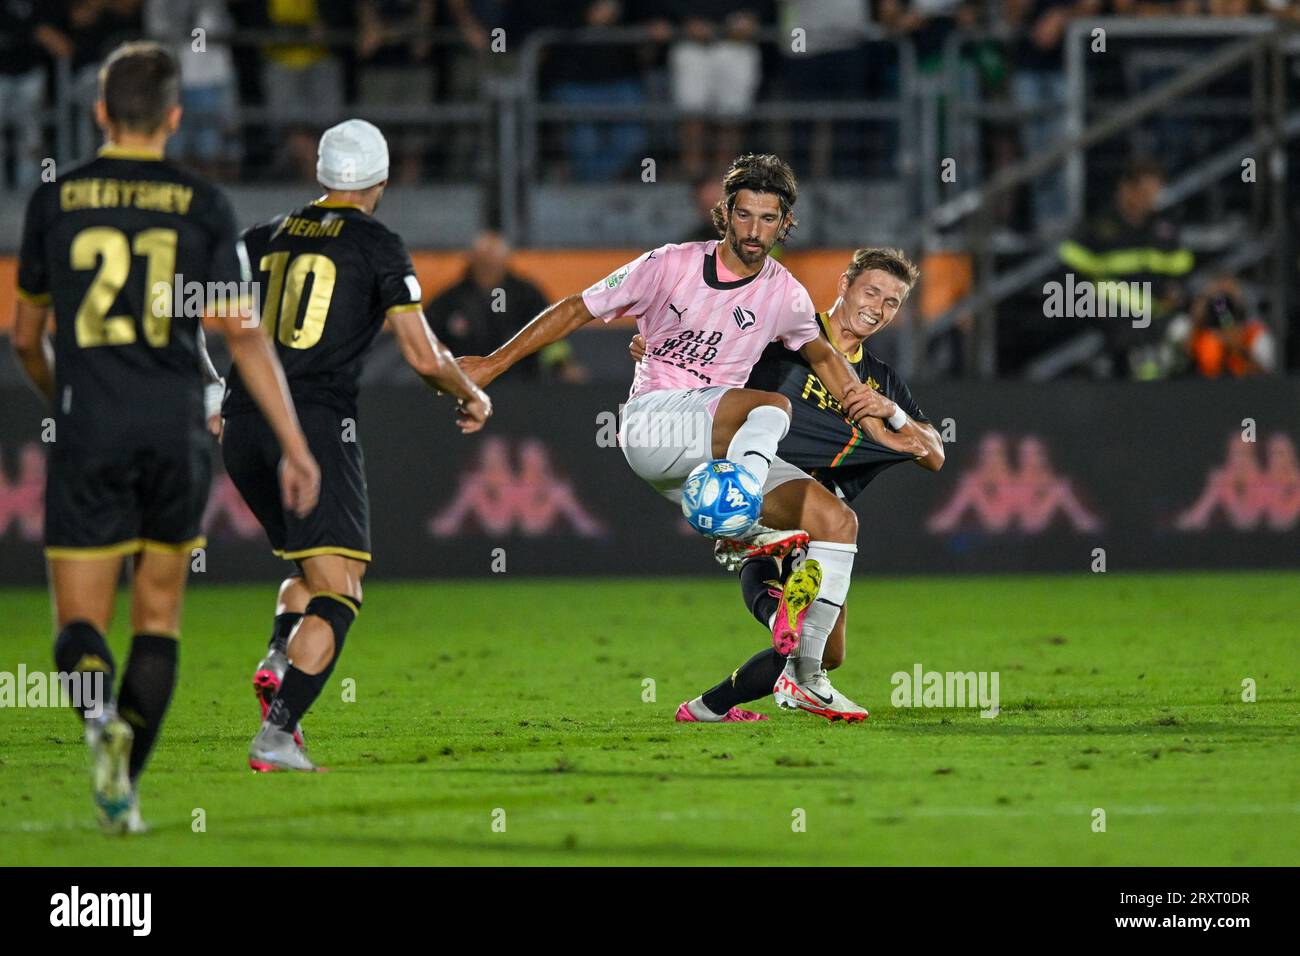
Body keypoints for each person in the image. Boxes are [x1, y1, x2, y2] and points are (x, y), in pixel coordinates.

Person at [459, 154, 922, 720]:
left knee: (837, 522)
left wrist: (882, 423)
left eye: (769, 219)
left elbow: (823, 355)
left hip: (715, 448)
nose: (754, 231)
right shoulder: (669, 264)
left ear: (786, 224)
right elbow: (578, 308)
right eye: (744, 215)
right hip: (654, 424)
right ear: (722, 214)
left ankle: (806, 675)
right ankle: (744, 517)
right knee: (772, 406)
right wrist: (494, 363)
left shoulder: (786, 294)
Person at [12, 41, 320, 832]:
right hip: (175, 428)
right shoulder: (203, 205)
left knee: (79, 627)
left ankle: (94, 722)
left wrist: (65, 395)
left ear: (100, 112)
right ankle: (124, 791)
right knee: (158, 620)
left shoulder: (56, 199)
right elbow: (242, 334)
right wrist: (293, 445)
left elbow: (23, 337)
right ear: (176, 119)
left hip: (91, 429)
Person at [221, 118, 493, 772]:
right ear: (381, 179)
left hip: (242, 423)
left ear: (320, 173)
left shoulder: (258, 237)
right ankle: (279, 733)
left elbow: (203, 319)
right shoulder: (376, 242)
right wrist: (469, 394)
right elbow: (422, 355)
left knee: (307, 569)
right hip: (311, 427)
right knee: (341, 590)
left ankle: (279, 653)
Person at [631, 248, 944, 722]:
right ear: (844, 284)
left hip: (817, 513)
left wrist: (892, 412)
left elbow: (935, 454)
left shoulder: (880, 380)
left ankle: (709, 706)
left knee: (821, 653)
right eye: (871, 291)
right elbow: (707, 352)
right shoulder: (785, 332)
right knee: (786, 586)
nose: (877, 308)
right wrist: (660, 349)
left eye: (892, 302)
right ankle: (771, 595)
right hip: (760, 490)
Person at [425, 231, 586, 382]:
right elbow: (427, 343)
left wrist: (563, 366)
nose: (488, 266)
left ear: (505, 260)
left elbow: (552, 333)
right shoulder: (449, 301)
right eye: (483, 261)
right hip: (467, 387)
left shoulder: (526, 295)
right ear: (472, 260)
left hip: (522, 386)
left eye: (493, 261)